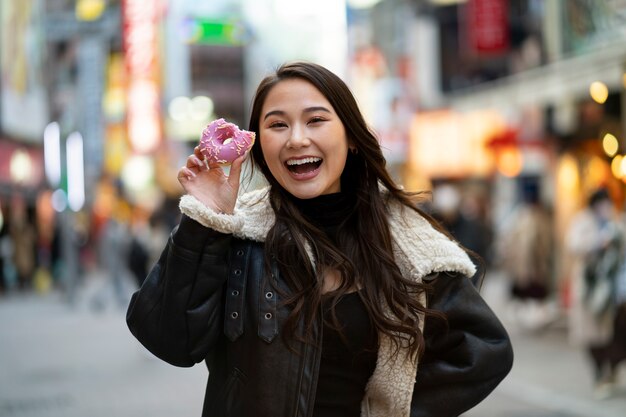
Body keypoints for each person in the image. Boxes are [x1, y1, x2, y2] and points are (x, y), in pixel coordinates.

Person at [126, 62, 513, 417]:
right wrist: (204, 221)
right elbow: (169, 341)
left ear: (352, 138)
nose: (296, 139)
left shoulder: (407, 243)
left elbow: (483, 351)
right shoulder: (236, 232)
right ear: (260, 146)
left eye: (315, 121)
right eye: (277, 125)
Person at [566, 188, 625, 399]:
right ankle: (600, 375)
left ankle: (611, 373)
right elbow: (573, 246)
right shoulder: (582, 222)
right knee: (592, 336)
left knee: (614, 333)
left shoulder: (614, 222)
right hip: (589, 289)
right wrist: (598, 242)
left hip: (612, 290)